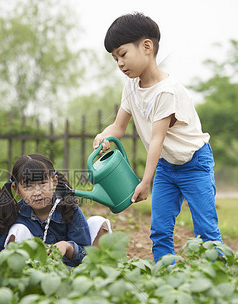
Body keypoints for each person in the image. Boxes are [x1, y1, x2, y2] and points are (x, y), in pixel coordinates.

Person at [93, 12, 222, 263]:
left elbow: (156, 139)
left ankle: (217, 280)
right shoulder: (130, 87)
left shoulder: (166, 91)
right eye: (114, 58)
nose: (119, 63)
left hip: (194, 163)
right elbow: (119, 127)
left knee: (206, 230)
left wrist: (145, 181)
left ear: (147, 46)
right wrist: (103, 135)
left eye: (122, 54)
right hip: (165, 166)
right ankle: (165, 276)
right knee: (160, 230)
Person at [0, 154, 111, 267]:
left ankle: (98, 269)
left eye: (43, 183)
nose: (37, 192)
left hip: (69, 269)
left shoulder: (68, 209)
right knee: (18, 229)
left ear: (54, 181)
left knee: (98, 222)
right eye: (28, 186)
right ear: (17, 190)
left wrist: (68, 246)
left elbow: (85, 250)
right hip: (31, 271)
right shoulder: (14, 214)